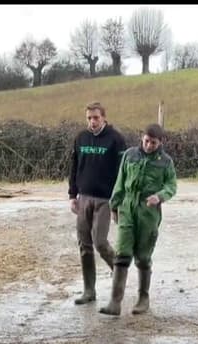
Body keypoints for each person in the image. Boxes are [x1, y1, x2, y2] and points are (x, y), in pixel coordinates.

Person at [100, 123, 177, 316]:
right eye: (146, 141)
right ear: (141, 138)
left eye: (153, 142)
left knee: (143, 257)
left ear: (160, 142)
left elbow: (171, 185)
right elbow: (120, 181)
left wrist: (159, 196)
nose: (149, 145)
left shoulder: (165, 162)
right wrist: (114, 206)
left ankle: (143, 299)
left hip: (148, 213)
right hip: (127, 207)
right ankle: (115, 302)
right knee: (122, 254)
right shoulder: (129, 155)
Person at [68, 101, 128, 305]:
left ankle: (119, 272)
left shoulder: (115, 139)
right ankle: (89, 291)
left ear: (104, 117)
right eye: (89, 118)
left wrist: (118, 200)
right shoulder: (81, 138)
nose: (92, 122)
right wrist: (72, 195)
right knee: (84, 246)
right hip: (83, 198)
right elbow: (74, 167)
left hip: (105, 199)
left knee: (100, 242)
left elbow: (123, 172)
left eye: (96, 117)